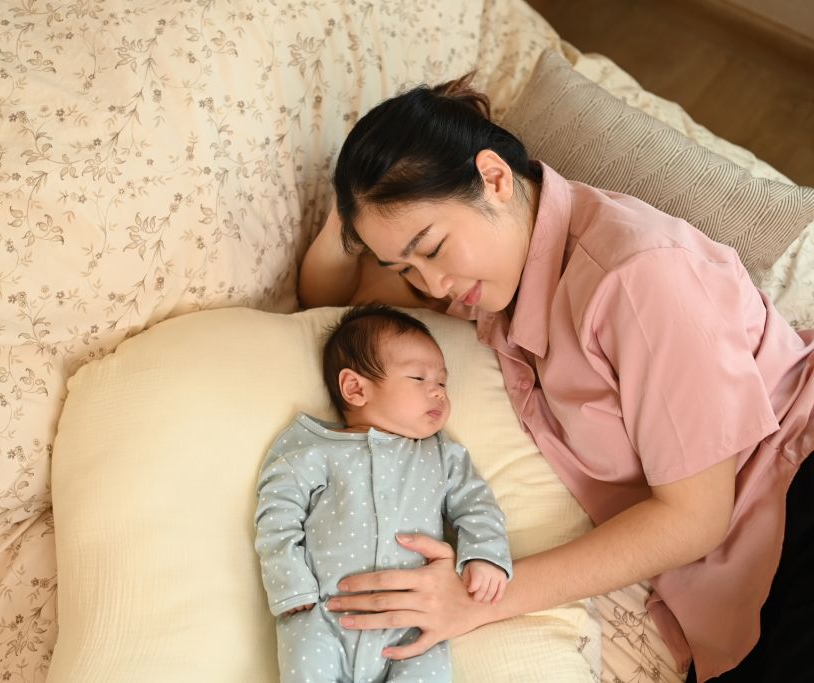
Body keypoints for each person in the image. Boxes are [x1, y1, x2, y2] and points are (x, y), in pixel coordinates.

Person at [298, 72, 814, 683]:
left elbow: (694, 519)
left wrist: (478, 597)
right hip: (735, 573)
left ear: (493, 179)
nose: (429, 285)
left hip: (791, 493)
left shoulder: (636, 278)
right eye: (404, 265)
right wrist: (347, 216)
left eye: (431, 248)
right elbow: (341, 309)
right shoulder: (491, 273)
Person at [254, 304, 513, 683]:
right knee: (307, 660)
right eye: (419, 378)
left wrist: (485, 556)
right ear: (356, 388)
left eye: (442, 383)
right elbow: (276, 518)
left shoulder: (441, 455)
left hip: (415, 622)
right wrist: (291, 586)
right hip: (325, 615)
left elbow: (477, 506)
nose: (438, 393)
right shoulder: (313, 452)